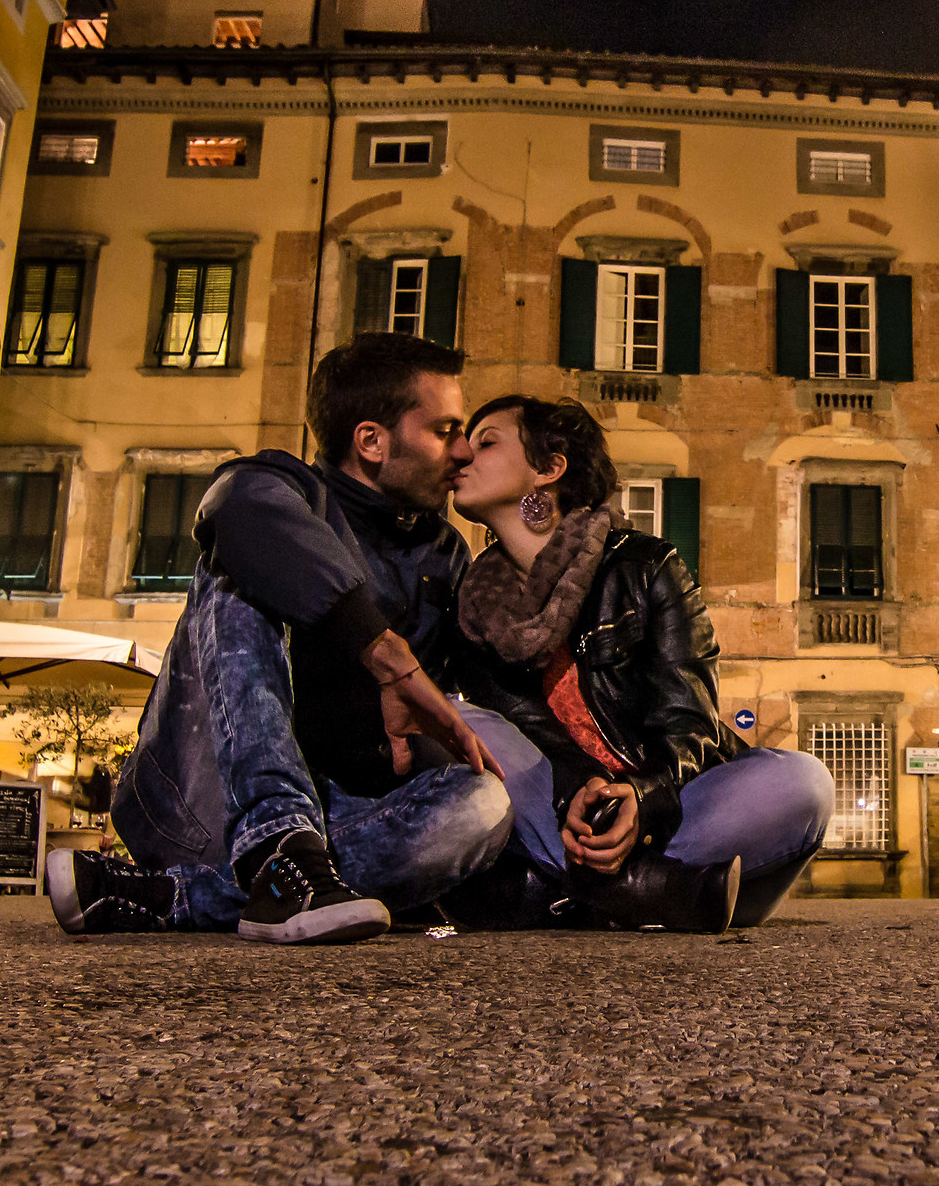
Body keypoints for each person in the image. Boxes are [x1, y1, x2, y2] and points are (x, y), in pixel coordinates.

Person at [52, 332, 511, 942]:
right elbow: (234, 504)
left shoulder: (444, 552)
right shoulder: (281, 489)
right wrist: (384, 651)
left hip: (328, 822)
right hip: (197, 801)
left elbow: (473, 701)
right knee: (242, 564)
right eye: (445, 431)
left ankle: (178, 897)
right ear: (371, 441)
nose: (461, 452)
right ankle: (279, 846)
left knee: (484, 803)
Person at [438, 396, 833, 932]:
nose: (462, 455)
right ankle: (653, 892)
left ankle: (573, 894)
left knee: (802, 781)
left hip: (669, 804)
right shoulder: (472, 607)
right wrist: (576, 797)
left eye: (487, 442)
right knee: (458, 721)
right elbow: (521, 744)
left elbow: (688, 719)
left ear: (550, 468)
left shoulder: (645, 566)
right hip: (562, 812)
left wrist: (644, 799)